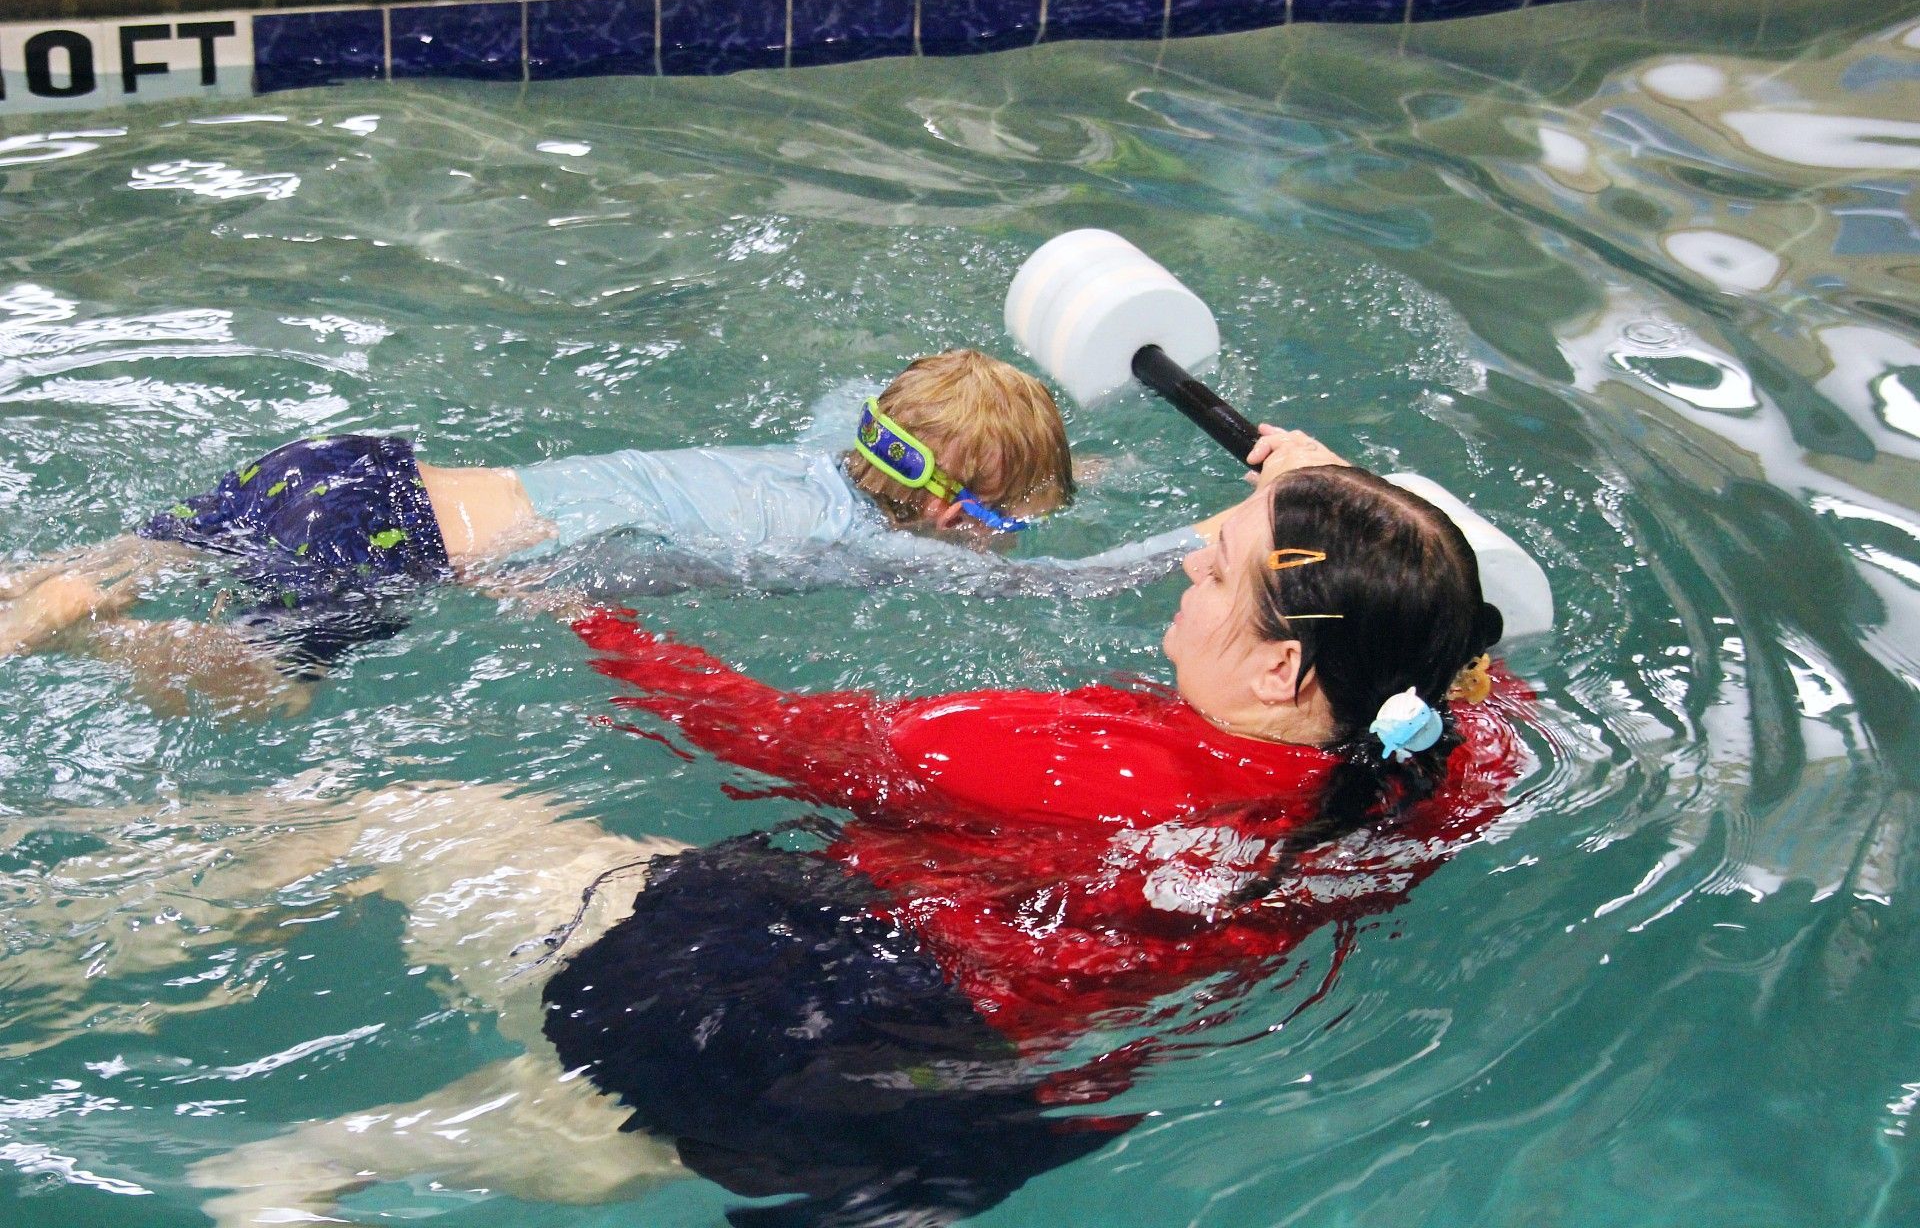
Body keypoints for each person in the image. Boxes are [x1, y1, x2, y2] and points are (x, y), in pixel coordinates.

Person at [181, 428, 1529, 1227]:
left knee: (386, 820)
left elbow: (767, 736)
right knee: (485, 1143)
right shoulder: (1443, 765)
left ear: (1284, 671)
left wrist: (587, 617)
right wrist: (1332, 500)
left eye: (1220, 564)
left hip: (786, 995)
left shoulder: (1053, 761)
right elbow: (1449, 648)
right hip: (984, 1105)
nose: (1189, 560)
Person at [0, 349, 1211, 712]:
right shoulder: (872, 546)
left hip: (346, 469)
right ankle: (72, 639)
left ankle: (41, 592)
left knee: (113, 557)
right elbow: (1058, 588)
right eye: (1006, 517)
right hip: (384, 543)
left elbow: (858, 381)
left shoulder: (829, 435)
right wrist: (1234, 524)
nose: (1007, 541)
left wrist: (1032, 453)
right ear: (955, 511)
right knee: (253, 690)